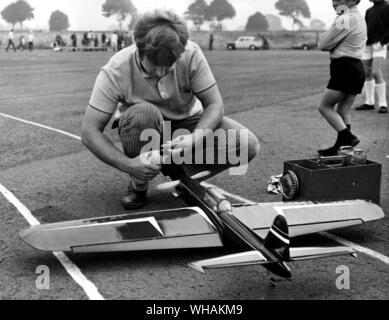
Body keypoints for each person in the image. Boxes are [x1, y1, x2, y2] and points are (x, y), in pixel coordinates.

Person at [81, 10, 260, 210]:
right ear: (139, 49)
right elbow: (89, 132)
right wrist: (128, 165)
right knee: (142, 114)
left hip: (187, 125)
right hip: (144, 129)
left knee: (247, 144)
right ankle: (138, 184)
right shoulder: (115, 70)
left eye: (168, 66)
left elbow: (215, 104)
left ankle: (183, 177)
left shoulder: (191, 54)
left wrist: (194, 139)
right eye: (153, 66)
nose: (160, 73)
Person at [317, 0, 367, 157]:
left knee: (324, 107)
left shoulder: (345, 18)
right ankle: (343, 148)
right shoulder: (358, 17)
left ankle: (347, 137)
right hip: (357, 68)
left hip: (344, 67)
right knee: (343, 109)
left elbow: (323, 44)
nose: (335, 2)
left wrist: (325, 36)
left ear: (352, 1)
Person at [356, 0, 389, 114]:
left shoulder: (387, 7)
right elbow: (365, 29)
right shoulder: (369, 11)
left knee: (376, 72)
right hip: (367, 46)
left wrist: (382, 42)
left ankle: (383, 104)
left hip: (380, 45)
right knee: (366, 73)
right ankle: (369, 102)